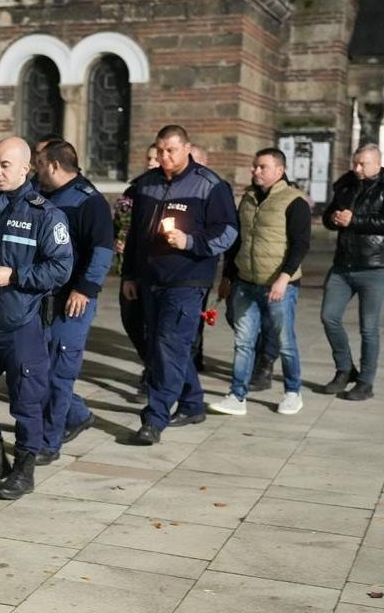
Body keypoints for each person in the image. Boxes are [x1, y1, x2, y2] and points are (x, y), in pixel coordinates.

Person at [0, 137, 73, 499]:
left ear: (26, 168)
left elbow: (61, 268)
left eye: (4, 165)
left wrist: (17, 275)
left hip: (23, 323)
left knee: (26, 401)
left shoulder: (46, 214)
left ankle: (24, 468)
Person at [120, 125, 238, 446]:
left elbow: (228, 232)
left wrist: (189, 241)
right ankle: (192, 403)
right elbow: (135, 236)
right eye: (160, 151)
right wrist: (129, 274)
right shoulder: (146, 184)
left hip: (188, 278)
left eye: (171, 150)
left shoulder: (210, 185)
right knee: (167, 344)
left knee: (167, 344)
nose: (164, 157)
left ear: (187, 148)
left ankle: (154, 419)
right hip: (150, 278)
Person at [209, 148, 311, 416]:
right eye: (255, 166)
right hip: (245, 282)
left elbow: (300, 244)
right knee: (243, 342)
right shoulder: (248, 199)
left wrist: (284, 278)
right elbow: (238, 242)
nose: (255, 171)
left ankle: (292, 392)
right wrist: (228, 276)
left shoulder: (294, 201)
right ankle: (237, 396)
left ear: (279, 170)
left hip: (279, 284)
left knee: (285, 341)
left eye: (262, 167)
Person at [35, 141, 113, 463]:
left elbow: (102, 250)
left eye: (39, 163)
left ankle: (48, 443)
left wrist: (85, 289)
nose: (36, 170)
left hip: (73, 300)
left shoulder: (89, 202)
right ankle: (78, 415)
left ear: (54, 165)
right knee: (38, 370)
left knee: (59, 372)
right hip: (43, 297)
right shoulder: (41, 196)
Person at [319, 143, 384, 400]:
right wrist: (333, 218)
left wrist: (354, 220)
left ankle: (366, 382)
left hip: (375, 266)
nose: (357, 168)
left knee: (369, 328)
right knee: (329, 316)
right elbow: (327, 216)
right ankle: (345, 369)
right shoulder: (346, 183)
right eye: (355, 163)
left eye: (363, 164)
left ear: (377, 163)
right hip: (342, 265)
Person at [113, 143, 159, 401]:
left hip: (155, 270)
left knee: (154, 326)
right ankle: (151, 362)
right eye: (149, 157)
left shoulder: (168, 191)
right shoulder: (134, 189)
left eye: (156, 157)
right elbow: (118, 223)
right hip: (129, 269)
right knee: (130, 320)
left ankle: (152, 375)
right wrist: (117, 240)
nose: (151, 162)